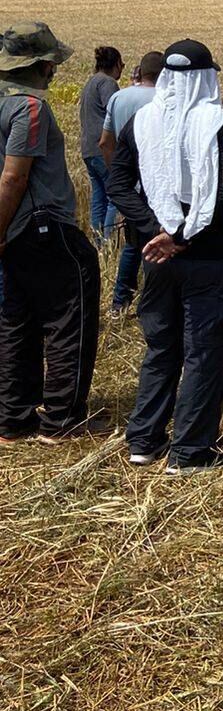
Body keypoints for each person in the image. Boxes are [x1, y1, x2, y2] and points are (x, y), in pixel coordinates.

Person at [107, 39, 223, 473]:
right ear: (207, 77)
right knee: (203, 350)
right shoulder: (220, 122)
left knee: (161, 346)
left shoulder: (143, 121)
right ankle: (188, 453)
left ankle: (143, 441)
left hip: (156, 256)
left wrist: (154, 231)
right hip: (208, 255)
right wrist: (183, 234)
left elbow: (118, 183)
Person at [0, 22, 101, 445]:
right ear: (42, 66)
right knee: (67, 317)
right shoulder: (30, 108)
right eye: (51, 64)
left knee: (15, 321)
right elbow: (13, 177)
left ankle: (12, 418)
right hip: (41, 226)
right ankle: (61, 420)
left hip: (13, 235)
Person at [99, 51, 165, 316]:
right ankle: (155, 302)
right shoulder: (163, 101)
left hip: (127, 187)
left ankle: (119, 302)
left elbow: (105, 142)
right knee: (160, 245)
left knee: (132, 244)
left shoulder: (119, 96)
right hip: (156, 185)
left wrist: (117, 175)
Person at [79, 46, 124, 240]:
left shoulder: (90, 82)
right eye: (121, 64)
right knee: (115, 196)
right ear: (115, 64)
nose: (122, 69)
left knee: (99, 197)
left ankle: (97, 243)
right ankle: (108, 241)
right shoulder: (108, 83)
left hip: (88, 148)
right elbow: (113, 112)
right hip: (103, 148)